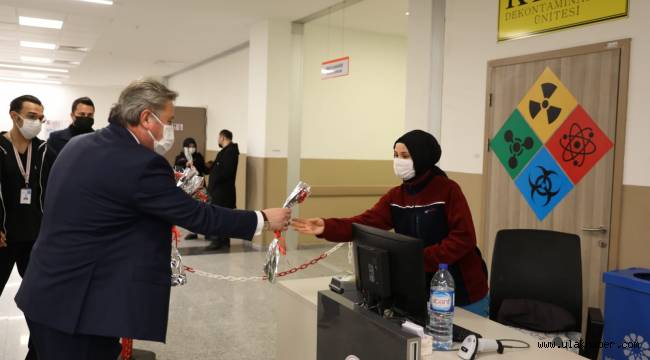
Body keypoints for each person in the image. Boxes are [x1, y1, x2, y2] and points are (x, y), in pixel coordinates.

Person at [15, 79, 291, 360]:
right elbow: (196, 215)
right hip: (80, 308)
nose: (169, 130)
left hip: (45, 291)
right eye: (168, 121)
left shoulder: (78, 145)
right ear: (147, 118)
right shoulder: (139, 162)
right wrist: (262, 219)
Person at [292, 130, 490, 316]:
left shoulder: (448, 190)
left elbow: (464, 238)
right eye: (395, 155)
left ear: (422, 157)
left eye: (405, 156)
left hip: (462, 291)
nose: (398, 161)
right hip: (421, 288)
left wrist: (417, 260)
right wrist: (327, 227)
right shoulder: (396, 196)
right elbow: (366, 223)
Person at [0, 95, 55, 360]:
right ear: (14, 116)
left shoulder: (44, 151)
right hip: (3, 237)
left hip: (36, 239)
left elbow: (55, 192)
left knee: (40, 300)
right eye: (32, 116)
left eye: (40, 117)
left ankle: (37, 353)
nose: (37, 122)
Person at [206, 129, 239, 250]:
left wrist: (216, 170)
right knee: (222, 216)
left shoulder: (230, 152)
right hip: (220, 190)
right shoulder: (225, 152)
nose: (218, 140)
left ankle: (217, 241)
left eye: (219, 137)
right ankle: (223, 240)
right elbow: (219, 167)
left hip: (223, 191)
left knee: (218, 216)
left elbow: (226, 171)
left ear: (223, 137)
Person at [174, 137, 208, 240]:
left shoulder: (199, 157)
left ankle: (207, 231)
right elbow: (176, 167)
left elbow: (203, 168)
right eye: (189, 146)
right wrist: (186, 164)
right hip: (187, 186)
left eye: (193, 146)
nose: (192, 148)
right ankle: (193, 231)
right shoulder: (180, 157)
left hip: (199, 185)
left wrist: (194, 164)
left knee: (203, 208)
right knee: (191, 209)